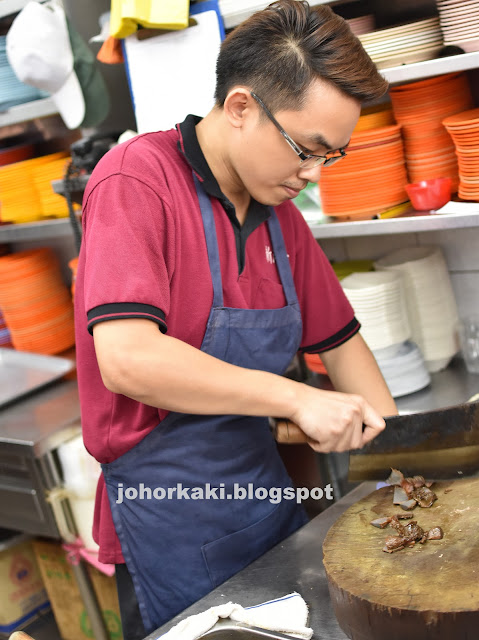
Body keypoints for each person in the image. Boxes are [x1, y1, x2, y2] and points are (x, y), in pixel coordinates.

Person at [74, 1, 398, 638]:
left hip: (266, 504)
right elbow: (128, 359)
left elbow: (353, 362)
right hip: (169, 515)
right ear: (243, 106)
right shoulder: (135, 180)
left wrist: (379, 441)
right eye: (306, 150)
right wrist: (295, 399)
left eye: (329, 158)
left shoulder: (282, 218)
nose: (311, 175)